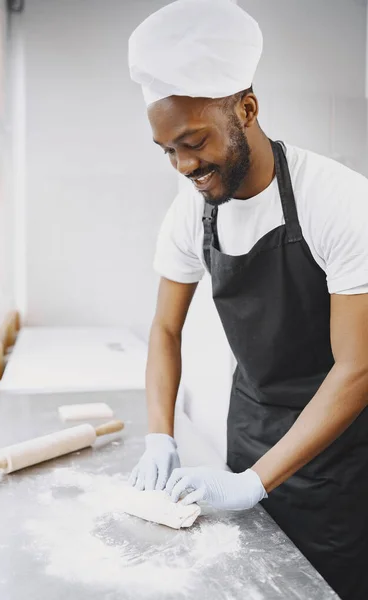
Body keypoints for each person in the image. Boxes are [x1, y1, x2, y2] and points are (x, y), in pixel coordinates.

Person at [127, 2, 368, 598]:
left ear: (247, 109)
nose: (184, 166)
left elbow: (359, 367)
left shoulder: (336, 201)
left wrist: (256, 482)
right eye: (168, 151)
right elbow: (163, 329)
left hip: (336, 456)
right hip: (250, 429)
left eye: (193, 142)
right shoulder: (191, 210)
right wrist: (161, 433)